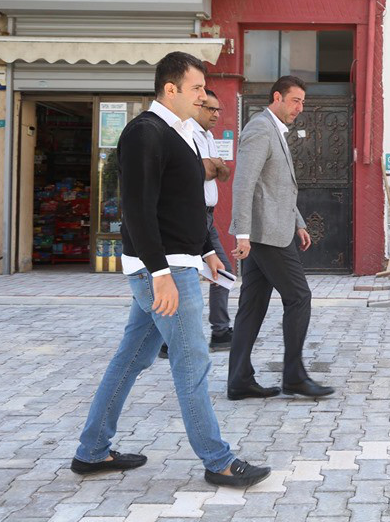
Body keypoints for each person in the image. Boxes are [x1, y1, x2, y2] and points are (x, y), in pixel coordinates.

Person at [71, 52, 270, 488]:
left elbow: (183, 203)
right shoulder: (145, 132)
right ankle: (218, 460)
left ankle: (91, 450)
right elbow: (138, 208)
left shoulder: (181, 133)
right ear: (170, 89)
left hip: (177, 263)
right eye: (196, 88)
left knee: (132, 358)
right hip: (162, 272)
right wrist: (159, 273)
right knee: (192, 362)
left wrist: (206, 250)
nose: (202, 96)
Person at [227, 75, 334, 400]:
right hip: (266, 234)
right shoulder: (260, 129)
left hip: (273, 229)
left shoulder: (275, 130)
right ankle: (294, 377)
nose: (300, 108)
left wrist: (299, 222)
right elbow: (244, 184)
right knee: (299, 297)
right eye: (295, 101)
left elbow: (276, 187)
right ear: (277, 97)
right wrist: (242, 234)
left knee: (252, 306)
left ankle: (239, 380)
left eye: (302, 102)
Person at [159, 89, 233, 359]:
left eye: (218, 110)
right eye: (210, 109)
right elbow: (203, 171)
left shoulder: (209, 137)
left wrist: (214, 166)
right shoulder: (187, 132)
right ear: (198, 107)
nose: (215, 114)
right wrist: (213, 166)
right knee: (184, 274)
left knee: (220, 271)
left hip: (207, 216)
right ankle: (172, 339)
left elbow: (222, 172)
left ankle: (218, 330)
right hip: (192, 214)